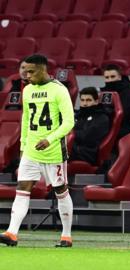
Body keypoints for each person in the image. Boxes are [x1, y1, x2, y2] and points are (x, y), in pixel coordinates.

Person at [0, 54, 75, 247]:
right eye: (24, 70)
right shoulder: (28, 90)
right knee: (22, 189)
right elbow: (25, 120)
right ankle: (12, 233)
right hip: (32, 150)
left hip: (54, 150)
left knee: (60, 190)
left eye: (31, 71)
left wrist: (49, 139)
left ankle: (66, 236)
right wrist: (23, 147)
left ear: (43, 69)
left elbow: (69, 122)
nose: (26, 75)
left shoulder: (59, 90)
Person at [70, 87, 111, 165]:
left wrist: (69, 133)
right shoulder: (78, 115)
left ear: (96, 101)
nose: (85, 103)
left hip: (88, 153)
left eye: (88, 100)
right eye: (82, 100)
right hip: (75, 149)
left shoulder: (102, 118)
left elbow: (87, 137)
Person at [101, 64, 130, 139]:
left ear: (120, 77)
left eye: (113, 77)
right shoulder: (105, 93)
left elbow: (124, 114)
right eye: (107, 77)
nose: (110, 80)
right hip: (110, 124)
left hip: (127, 127)